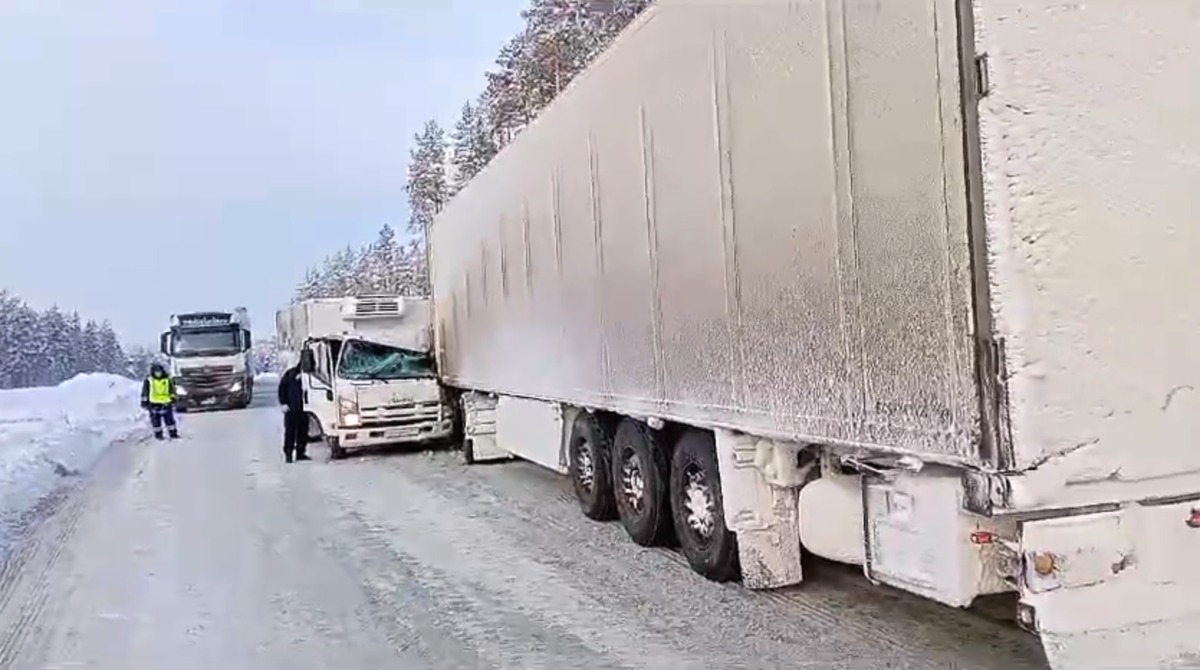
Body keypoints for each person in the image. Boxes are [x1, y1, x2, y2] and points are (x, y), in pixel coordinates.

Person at [277, 363, 310, 463]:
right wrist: (283, 403)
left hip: (305, 409)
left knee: (303, 432)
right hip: (291, 409)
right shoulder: (290, 374)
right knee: (290, 433)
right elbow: (282, 388)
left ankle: (301, 452)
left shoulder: (310, 376)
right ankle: (288, 453)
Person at [140, 363, 180, 440]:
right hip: (153, 403)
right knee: (155, 421)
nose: (158, 373)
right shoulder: (149, 380)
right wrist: (144, 401)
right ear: (153, 372)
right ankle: (158, 435)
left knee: (169, 420)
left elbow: (172, 390)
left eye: (159, 372)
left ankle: (173, 433)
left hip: (166, 402)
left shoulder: (168, 380)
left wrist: (173, 398)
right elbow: (145, 391)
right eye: (156, 372)